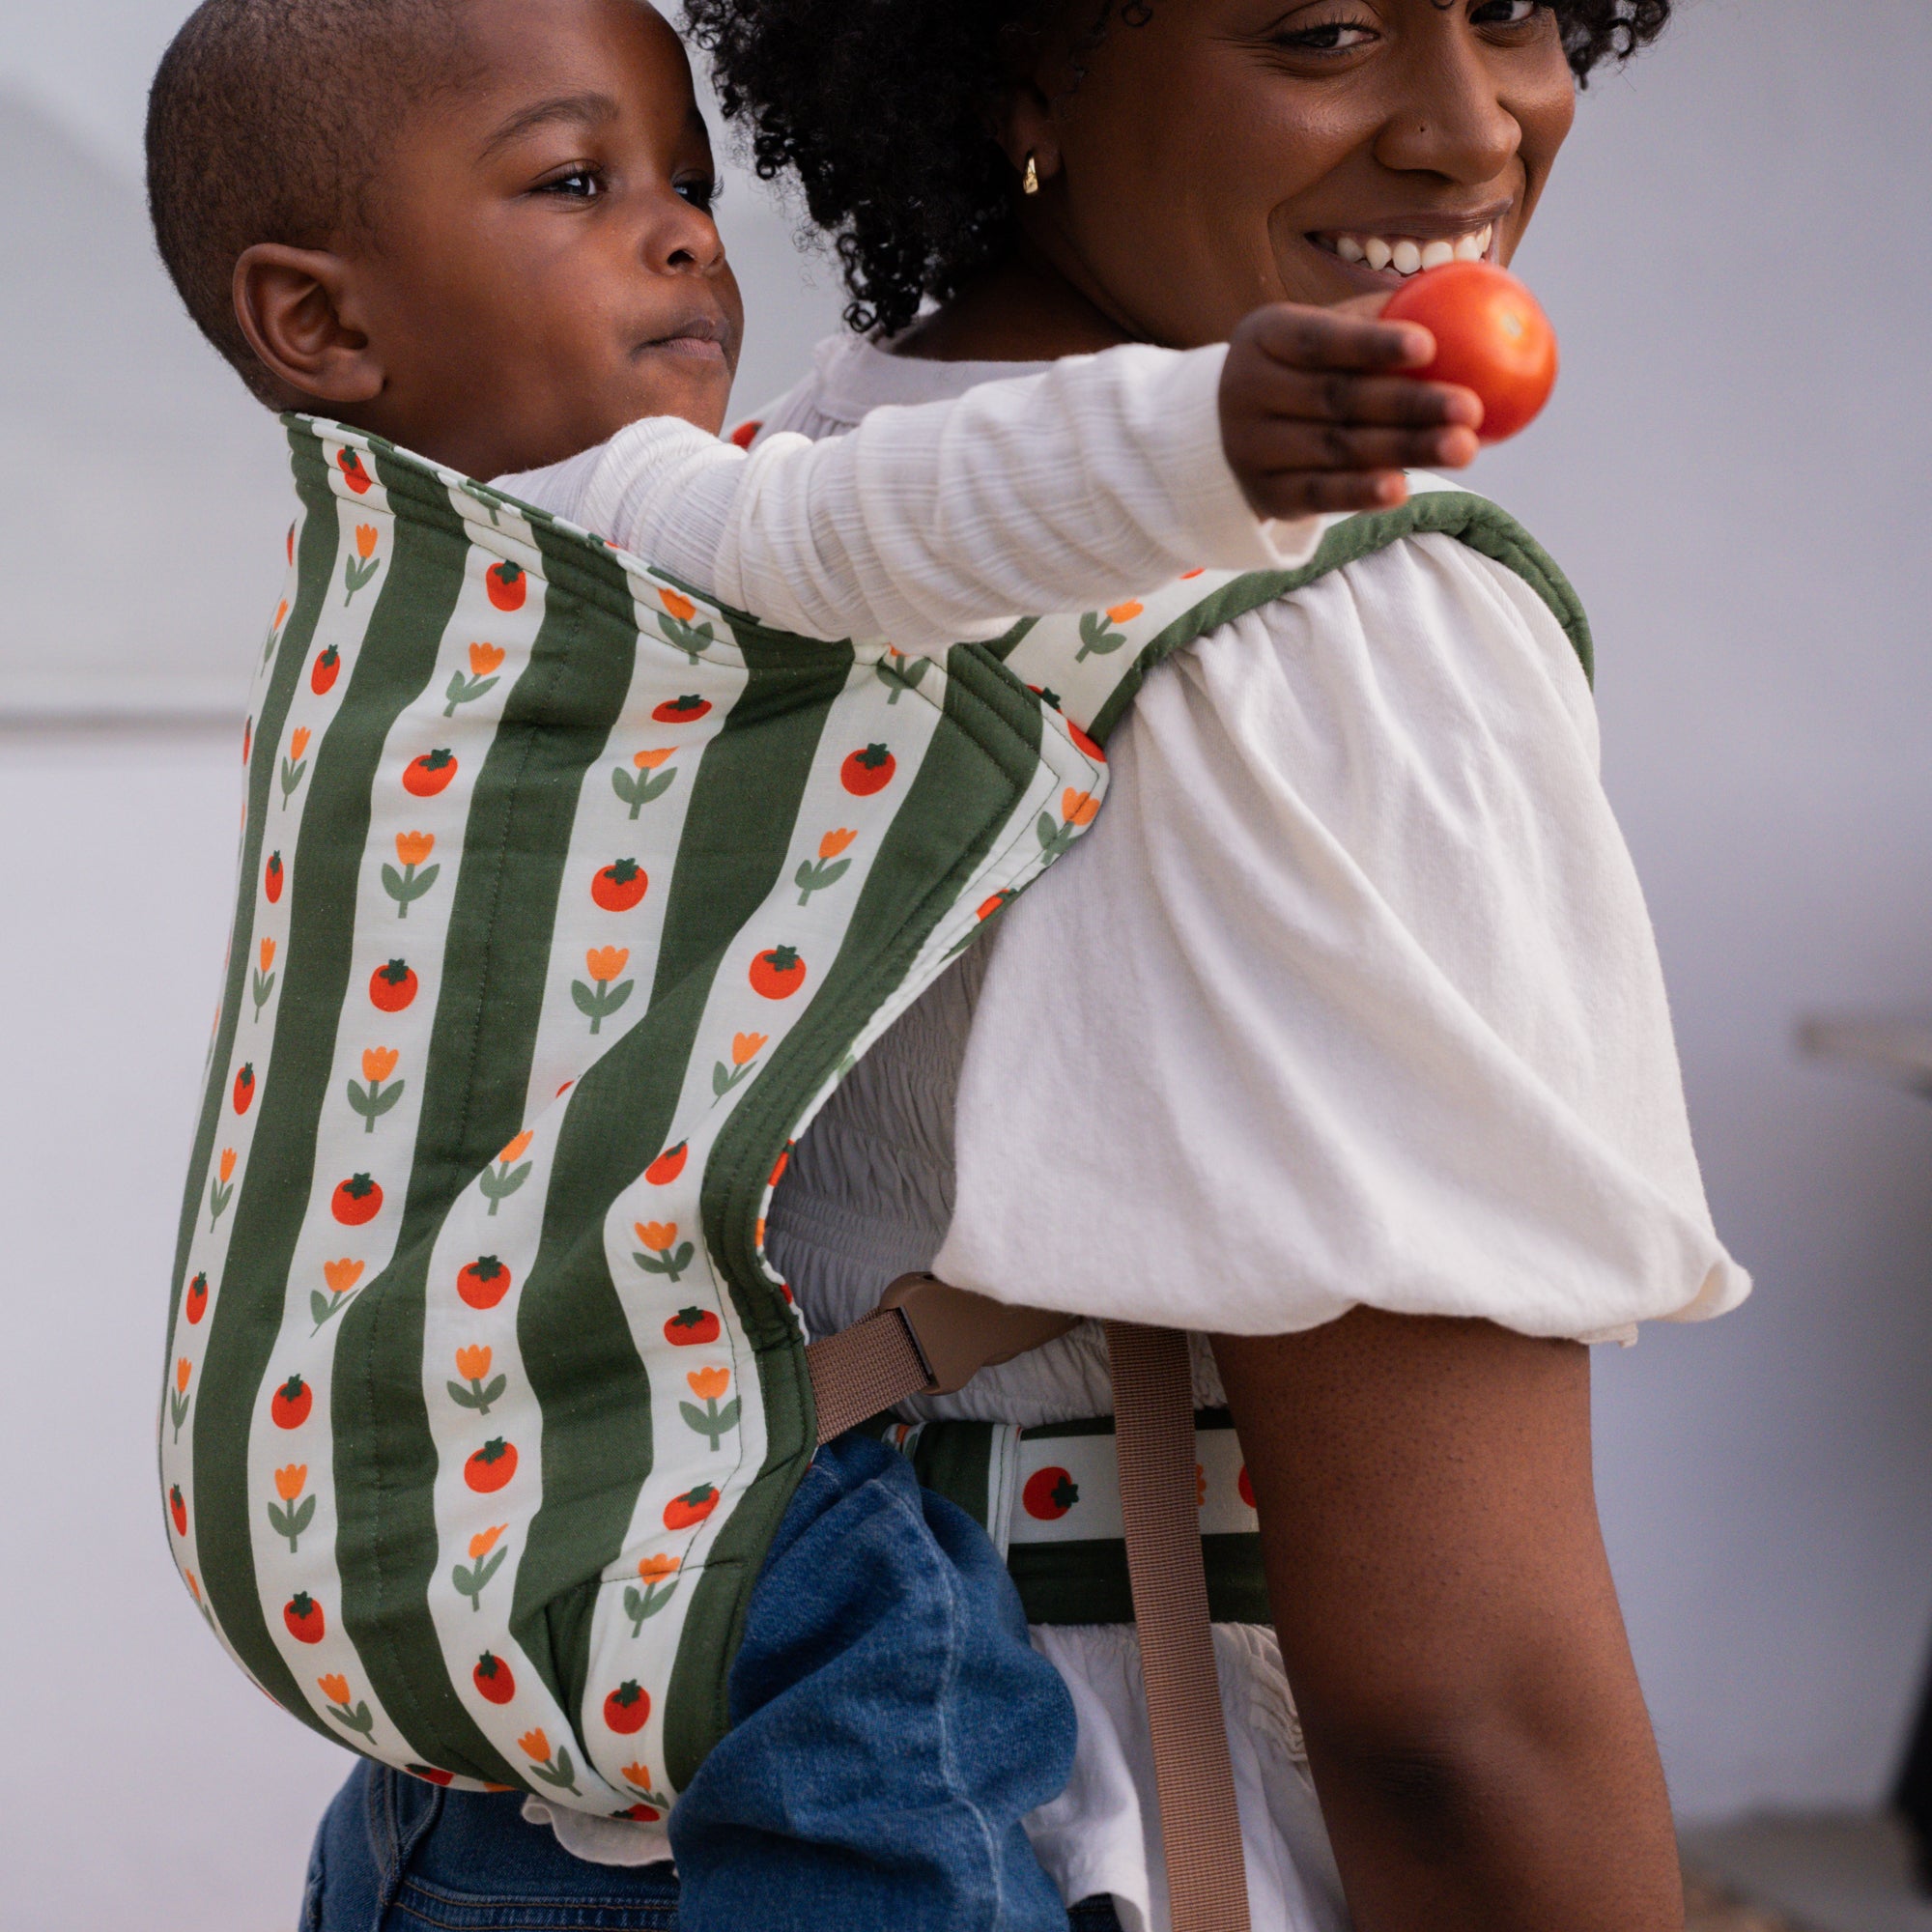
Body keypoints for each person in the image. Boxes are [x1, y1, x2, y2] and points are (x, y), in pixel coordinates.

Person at [144, 1, 1508, 1926]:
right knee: (895, 1689)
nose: (686, 232)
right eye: (575, 180)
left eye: (687, 178)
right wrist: (1206, 432)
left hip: (366, 1491)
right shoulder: (634, 522)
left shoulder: (377, 585)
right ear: (321, 327)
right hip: (651, 1471)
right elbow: (875, 523)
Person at [683, 1, 1745, 1929]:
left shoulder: (778, 491)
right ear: (1018, 64)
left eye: (1510, 8)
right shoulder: (1335, 625)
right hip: (1099, 1851)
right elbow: (1462, 1703)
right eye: (1322, 29)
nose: (1468, 128)